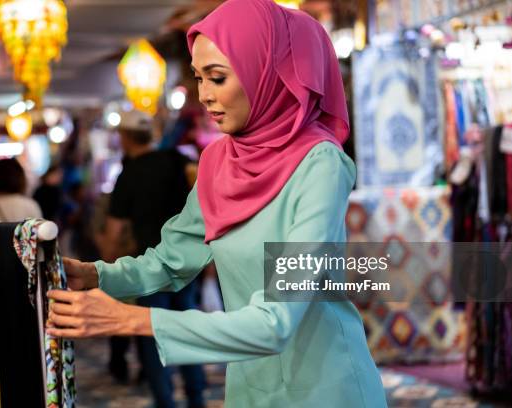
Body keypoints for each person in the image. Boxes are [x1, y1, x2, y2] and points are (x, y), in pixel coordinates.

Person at [47, 1, 387, 406]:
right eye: (198, 78)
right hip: (250, 382)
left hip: (326, 386)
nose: (204, 95)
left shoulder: (320, 165)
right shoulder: (218, 162)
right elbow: (172, 260)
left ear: (267, 73)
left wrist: (133, 319)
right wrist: (97, 275)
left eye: (218, 77)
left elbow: (277, 321)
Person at [102, 109, 206, 408]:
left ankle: (165, 401)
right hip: (187, 259)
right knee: (189, 328)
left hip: (150, 265)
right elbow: (203, 192)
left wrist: (108, 270)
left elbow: (114, 230)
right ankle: (196, 396)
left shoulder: (129, 175)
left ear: (124, 138)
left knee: (152, 332)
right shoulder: (176, 159)